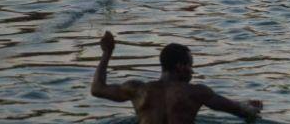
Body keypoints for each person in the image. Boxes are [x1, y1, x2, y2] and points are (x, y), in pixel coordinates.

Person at [91, 32, 263, 123]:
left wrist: (107, 53)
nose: (192, 72)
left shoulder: (137, 89)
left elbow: (97, 89)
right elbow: (239, 111)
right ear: (180, 67)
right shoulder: (196, 92)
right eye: (190, 66)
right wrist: (249, 107)